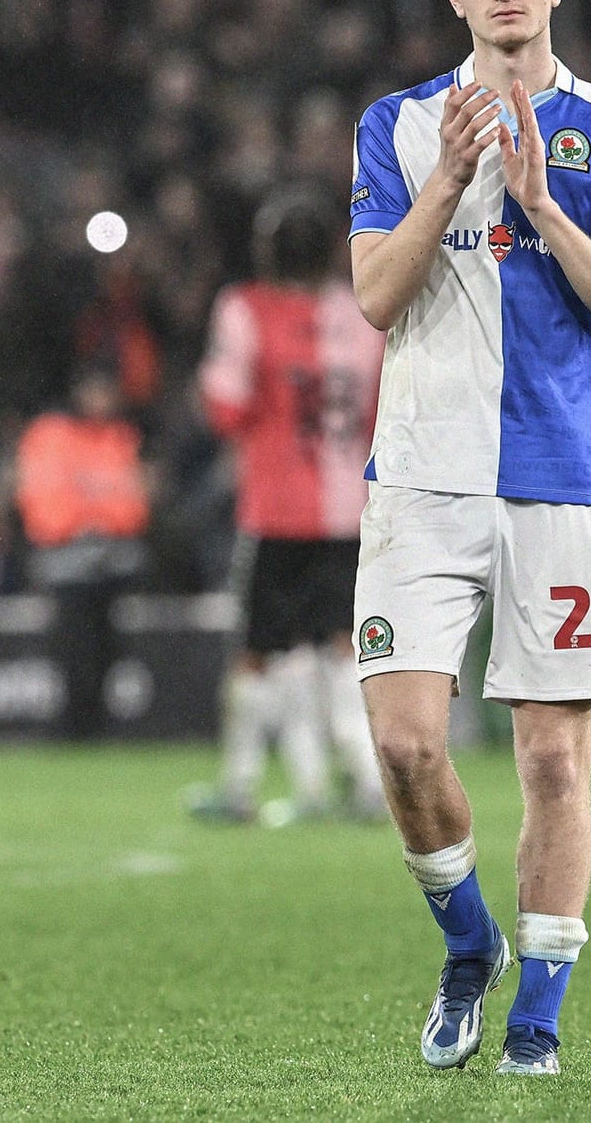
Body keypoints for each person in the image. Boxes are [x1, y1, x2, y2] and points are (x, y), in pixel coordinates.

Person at [348, 0, 591, 1077]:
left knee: (550, 760)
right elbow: (374, 296)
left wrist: (539, 206)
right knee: (404, 748)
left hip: (557, 478)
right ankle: (465, 943)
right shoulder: (396, 125)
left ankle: (534, 1017)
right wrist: (448, 182)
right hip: (419, 478)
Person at [187, 192, 386, 825]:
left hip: (274, 510)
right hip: (351, 509)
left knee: (257, 651)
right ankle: (366, 781)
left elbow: (224, 406)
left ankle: (240, 786)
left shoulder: (245, 308)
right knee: (345, 647)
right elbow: (384, 411)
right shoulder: (365, 312)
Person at [14, 365, 149, 739]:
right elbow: (43, 504)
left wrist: (97, 517)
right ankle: (73, 725)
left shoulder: (121, 436)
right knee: (72, 647)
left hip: (111, 563)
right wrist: (90, 518)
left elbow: (134, 506)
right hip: (65, 564)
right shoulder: (50, 435)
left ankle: (97, 725)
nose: (100, 402)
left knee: (107, 647)